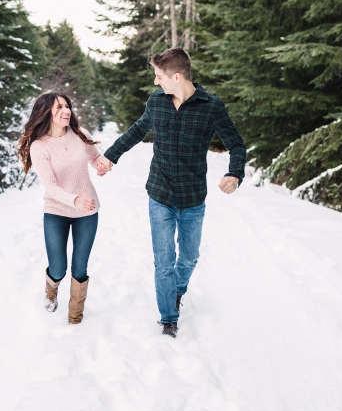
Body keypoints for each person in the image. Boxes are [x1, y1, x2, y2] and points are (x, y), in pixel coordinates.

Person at [95, 47, 246, 338]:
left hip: (192, 198)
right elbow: (137, 131)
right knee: (163, 261)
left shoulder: (211, 107)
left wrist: (235, 173)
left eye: (159, 76)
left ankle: (176, 291)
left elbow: (236, 144)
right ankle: (168, 318)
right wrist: (109, 156)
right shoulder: (157, 101)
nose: (155, 81)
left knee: (188, 257)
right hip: (160, 194)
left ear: (176, 76)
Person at [17, 92, 104, 324]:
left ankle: (75, 315)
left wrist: (100, 166)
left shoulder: (80, 134)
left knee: (79, 267)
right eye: (59, 108)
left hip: (87, 210)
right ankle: (51, 289)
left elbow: (95, 158)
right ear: (46, 113)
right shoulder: (39, 146)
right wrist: (75, 199)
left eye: (67, 106)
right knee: (58, 268)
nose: (66, 111)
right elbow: (51, 186)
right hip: (56, 212)